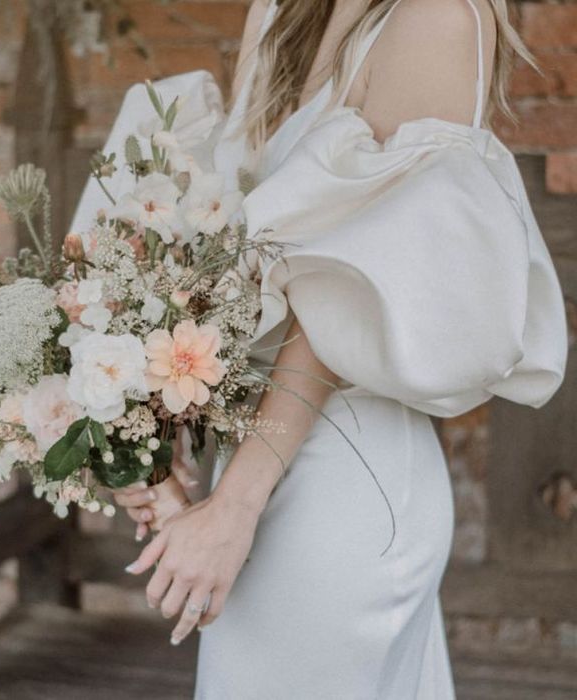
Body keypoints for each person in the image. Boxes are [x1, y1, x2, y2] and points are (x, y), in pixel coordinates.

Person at [72, 0, 568, 696]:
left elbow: (349, 292)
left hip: (344, 476)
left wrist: (236, 507)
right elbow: (233, 254)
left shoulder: (435, 17)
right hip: (252, 457)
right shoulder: (280, 12)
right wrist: (152, 435)